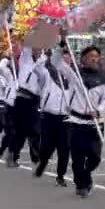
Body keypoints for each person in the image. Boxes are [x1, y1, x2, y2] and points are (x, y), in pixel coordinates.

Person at [53, 39, 105, 198]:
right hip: (76, 122)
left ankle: (86, 175)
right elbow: (56, 61)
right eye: (90, 56)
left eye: (96, 56)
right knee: (77, 157)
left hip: (95, 122)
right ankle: (81, 185)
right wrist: (61, 46)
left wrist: (98, 111)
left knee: (94, 157)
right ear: (83, 59)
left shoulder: (104, 78)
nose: (94, 59)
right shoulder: (75, 74)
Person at [33, 50, 72, 187]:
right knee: (47, 146)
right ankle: (42, 163)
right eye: (63, 59)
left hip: (66, 118)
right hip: (49, 116)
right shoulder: (48, 74)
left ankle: (60, 176)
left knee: (64, 148)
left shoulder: (73, 78)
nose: (66, 61)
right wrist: (44, 54)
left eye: (68, 59)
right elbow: (37, 68)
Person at [5, 46, 44, 168]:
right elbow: (27, 46)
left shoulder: (43, 62)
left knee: (36, 129)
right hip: (22, 98)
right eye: (36, 47)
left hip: (35, 99)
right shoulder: (25, 59)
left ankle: (36, 155)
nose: (37, 50)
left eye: (40, 48)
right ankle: (13, 155)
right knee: (20, 131)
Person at [0, 52, 17, 159]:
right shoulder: (10, 74)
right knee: (10, 131)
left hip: (21, 106)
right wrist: (6, 58)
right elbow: (0, 68)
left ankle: (12, 153)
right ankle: (2, 150)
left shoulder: (25, 74)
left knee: (17, 132)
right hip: (9, 105)